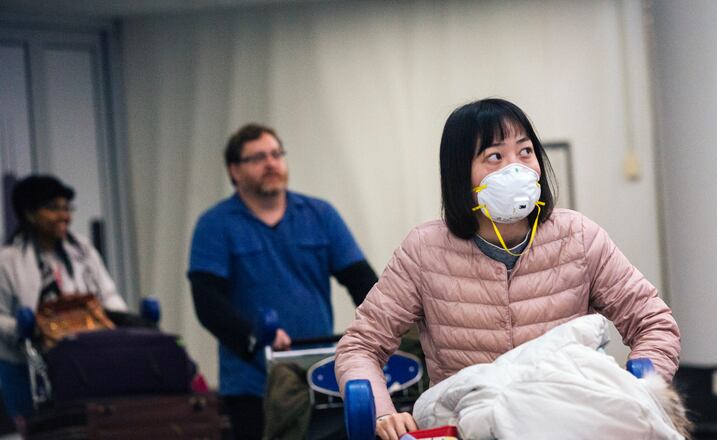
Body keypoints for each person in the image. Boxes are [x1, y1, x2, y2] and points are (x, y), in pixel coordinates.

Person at [334, 98, 681, 440]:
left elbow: (654, 323)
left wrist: (634, 388)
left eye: (525, 151)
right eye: (495, 156)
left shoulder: (578, 237)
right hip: (467, 426)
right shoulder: (424, 251)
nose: (516, 168)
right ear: (459, 174)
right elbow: (360, 346)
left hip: (567, 426)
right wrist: (382, 414)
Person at [187, 123, 378, 440]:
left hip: (320, 377)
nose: (271, 163)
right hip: (251, 387)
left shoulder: (320, 214)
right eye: (258, 157)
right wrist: (254, 337)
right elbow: (207, 302)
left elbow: (363, 282)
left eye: (276, 154)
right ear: (234, 171)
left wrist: (380, 332)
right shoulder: (215, 225)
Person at [0, 175, 128, 428]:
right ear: (30, 213)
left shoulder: (82, 250)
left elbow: (108, 294)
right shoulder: (8, 260)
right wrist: (24, 327)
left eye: (67, 208)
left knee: (84, 428)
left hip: (82, 362)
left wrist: (124, 323)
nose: (64, 216)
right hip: (25, 368)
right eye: (53, 208)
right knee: (39, 430)